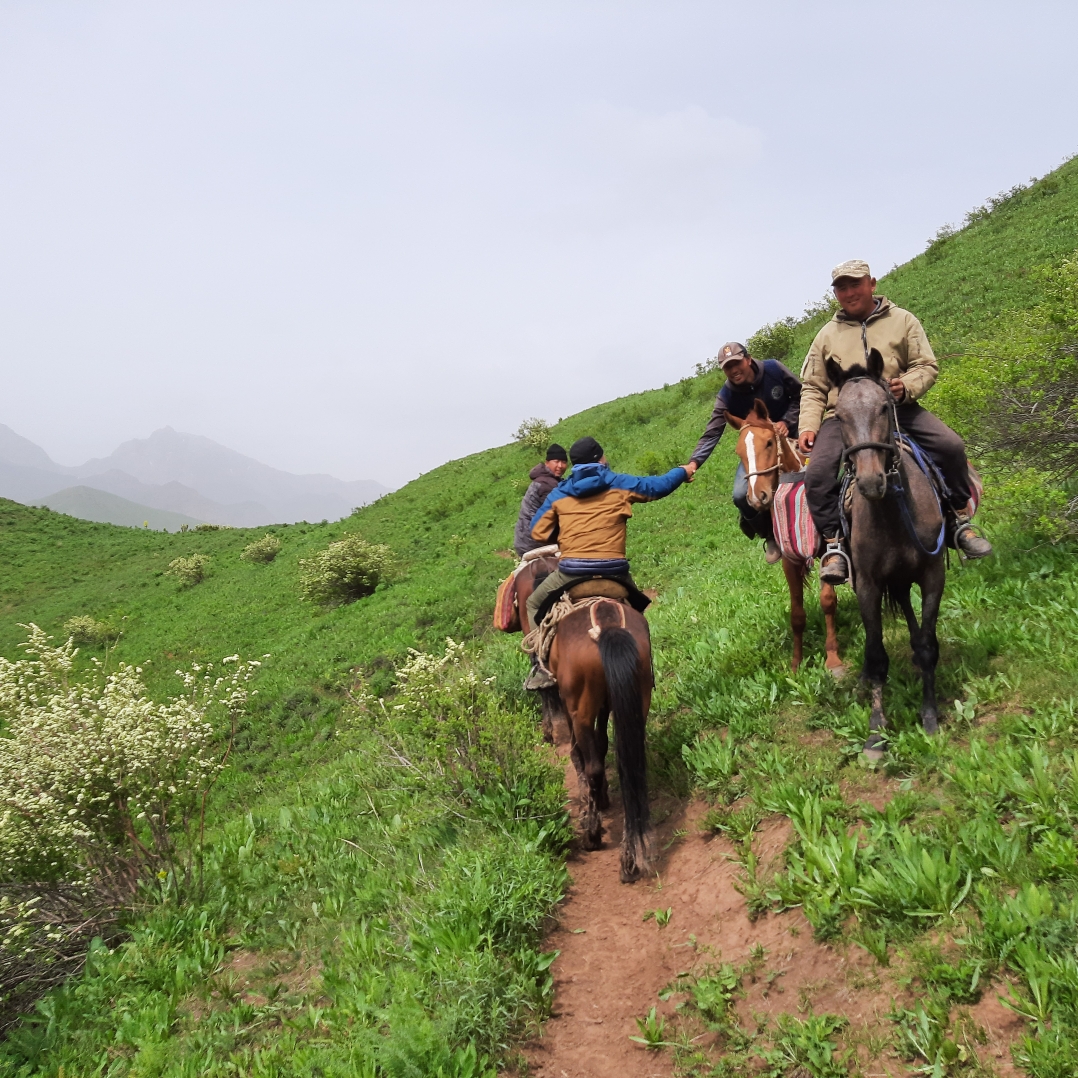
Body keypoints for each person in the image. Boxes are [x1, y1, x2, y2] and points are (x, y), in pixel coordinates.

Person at [799, 259, 993, 585]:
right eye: (841, 288)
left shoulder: (902, 320)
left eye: (855, 284)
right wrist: (808, 425)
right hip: (843, 416)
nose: (848, 293)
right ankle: (834, 545)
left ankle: (959, 520)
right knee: (816, 474)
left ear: (871, 284)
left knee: (951, 446)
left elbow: (925, 365)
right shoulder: (826, 336)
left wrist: (907, 387)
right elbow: (813, 387)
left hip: (897, 408)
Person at [522, 435, 690, 689]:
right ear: (600, 459)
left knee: (533, 603)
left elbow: (537, 533)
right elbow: (659, 486)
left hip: (571, 573)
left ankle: (540, 666)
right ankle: (646, 671)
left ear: (574, 465)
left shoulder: (559, 494)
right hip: (615, 572)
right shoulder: (620, 484)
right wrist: (683, 471)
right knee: (638, 612)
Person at [683, 341, 802, 563]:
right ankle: (771, 535)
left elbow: (801, 395)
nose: (734, 370)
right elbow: (712, 432)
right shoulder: (726, 396)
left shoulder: (774, 370)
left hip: (793, 434)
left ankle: (834, 530)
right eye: (728, 367)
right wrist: (693, 463)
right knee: (740, 494)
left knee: (828, 467)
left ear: (748, 359)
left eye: (737, 363)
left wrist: (787, 421)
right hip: (758, 449)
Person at [513, 443, 569, 557]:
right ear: (547, 462)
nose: (560, 465)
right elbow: (557, 515)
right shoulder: (546, 484)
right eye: (556, 461)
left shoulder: (546, 480)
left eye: (563, 462)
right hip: (533, 542)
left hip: (525, 539)